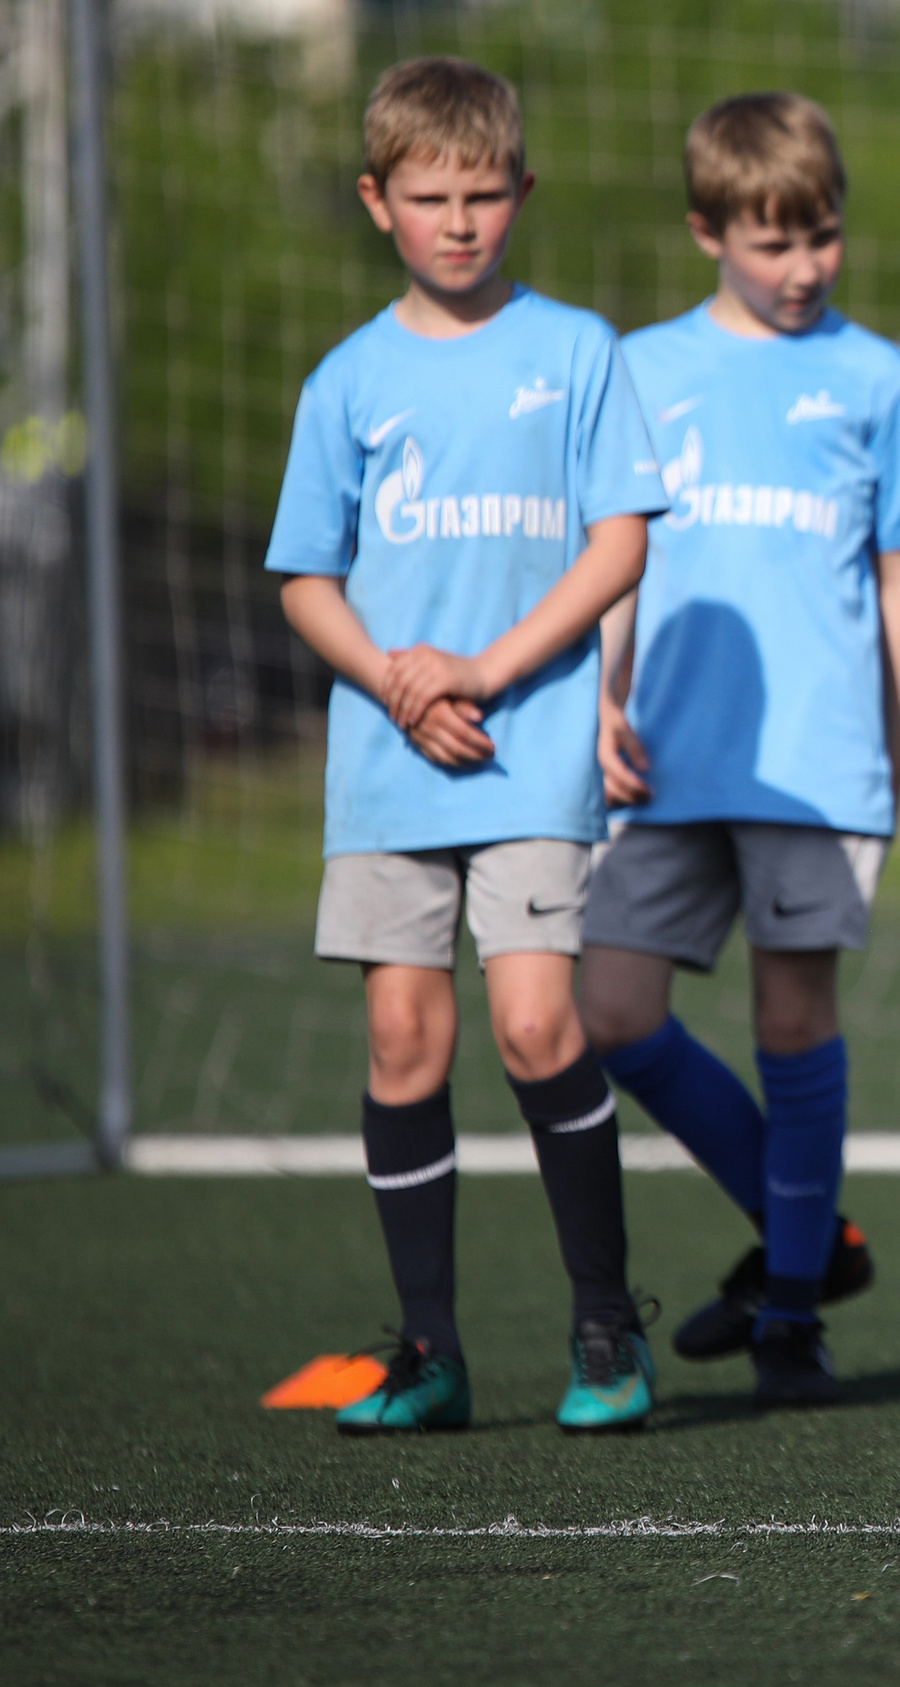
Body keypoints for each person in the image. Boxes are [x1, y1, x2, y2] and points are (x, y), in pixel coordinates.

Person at [266, 57, 667, 1434]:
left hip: (533, 742)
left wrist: (486, 671)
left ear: (522, 193)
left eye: (483, 193)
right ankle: (429, 1348)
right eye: (429, 196)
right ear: (378, 201)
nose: (458, 219)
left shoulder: (575, 351)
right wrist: (396, 682)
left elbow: (620, 541)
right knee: (401, 1036)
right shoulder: (347, 379)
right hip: (390, 758)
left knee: (539, 1019)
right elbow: (306, 576)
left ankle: (605, 1320)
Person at [578, 93, 900, 1407]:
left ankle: (791, 1308)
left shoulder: (876, 377)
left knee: (795, 1018)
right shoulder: (643, 367)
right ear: (706, 230)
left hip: (820, 760)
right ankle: (813, 1237)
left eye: (824, 237)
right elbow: (617, 561)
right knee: (608, 1011)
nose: (802, 268)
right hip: (666, 757)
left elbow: (899, 578)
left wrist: (889, 754)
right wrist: (600, 702)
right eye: (772, 243)